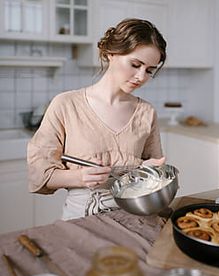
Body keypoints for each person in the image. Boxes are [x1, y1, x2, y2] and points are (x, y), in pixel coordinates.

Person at [27, 18, 167, 220]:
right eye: (135, 64)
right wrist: (80, 177)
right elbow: (39, 173)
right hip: (81, 219)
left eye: (149, 70)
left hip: (136, 216)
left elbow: (156, 176)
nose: (141, 76)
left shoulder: (146, 112)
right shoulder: (66, 105)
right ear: (112, 53)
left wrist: (151, 174)